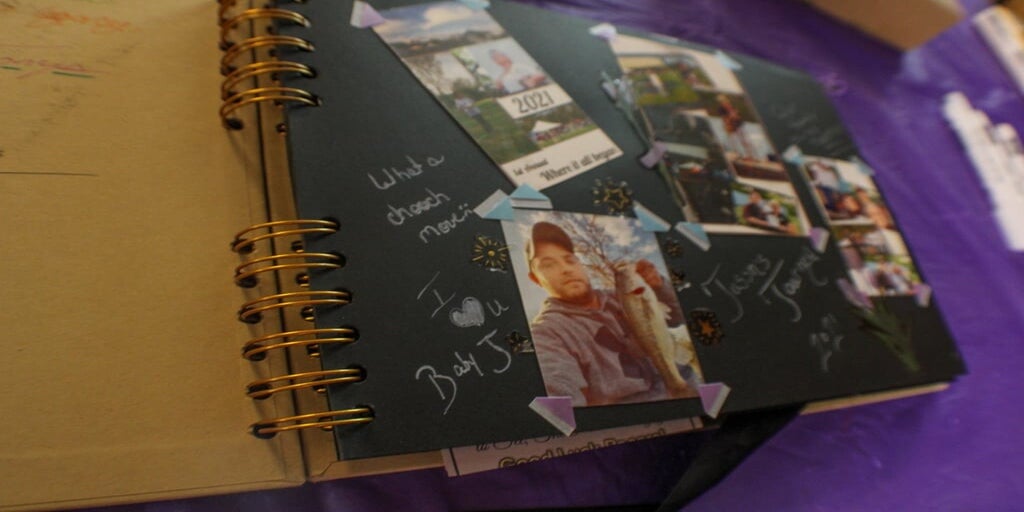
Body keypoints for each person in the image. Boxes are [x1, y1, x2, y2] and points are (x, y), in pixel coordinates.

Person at [524, 221, 693, 406]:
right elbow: (558, 388)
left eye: (570, 260)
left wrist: (659, 287)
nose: (566, 269)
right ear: (535, 279)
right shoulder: (545, 333)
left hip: (692, 389)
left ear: (581, 265)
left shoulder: (620, 297)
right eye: (548, 264)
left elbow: (679, 317)